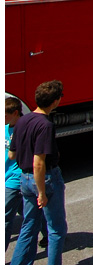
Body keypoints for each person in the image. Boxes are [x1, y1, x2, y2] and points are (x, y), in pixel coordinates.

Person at [9, 80, 66, 265]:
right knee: (56, 229)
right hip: (44, 179)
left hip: (24, 179)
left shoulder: (22, 120)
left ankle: (19, 264)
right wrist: (41, 192)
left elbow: (12, 153)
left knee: (29, 225)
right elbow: (39, 162)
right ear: (55, 101)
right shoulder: (45, 125)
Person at [5, 99, 47, 252]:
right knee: (27, 211)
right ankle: (48, 232)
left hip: (16, 178)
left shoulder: (23, 129)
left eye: (4, 114)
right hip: (6, 176)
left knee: (5, 217)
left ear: (15, 113)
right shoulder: (4, 128)